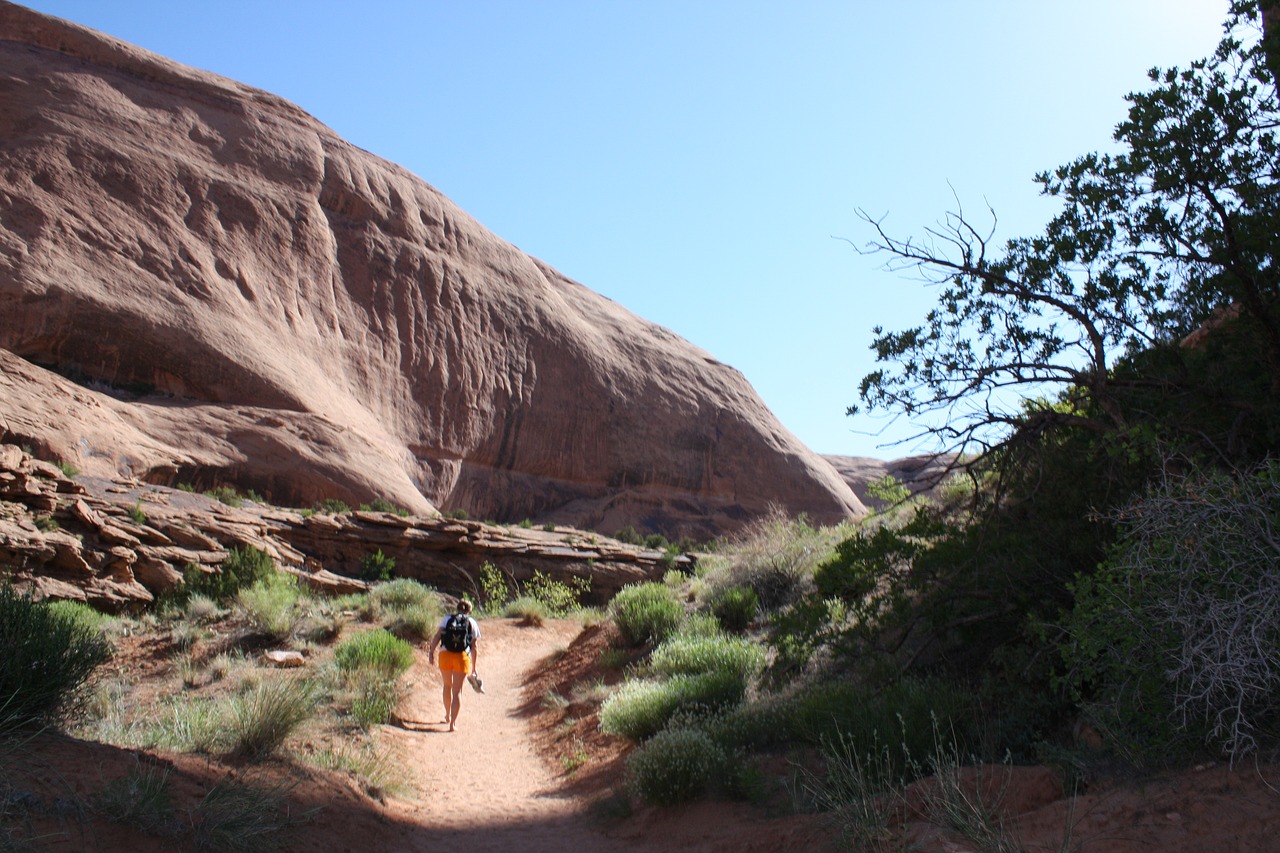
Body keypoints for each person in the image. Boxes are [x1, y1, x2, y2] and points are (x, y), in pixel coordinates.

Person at [427, 599, 481, 732]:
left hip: (445, 655)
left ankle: (447, 715)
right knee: (457, 691)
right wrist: (473, 667)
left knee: (447, 685)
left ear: (457, 608)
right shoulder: (472, 622)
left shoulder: (447, 619)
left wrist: (431, 652)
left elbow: (437, 636)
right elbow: (474, 647)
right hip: (462, 657)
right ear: (469, 610)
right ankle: (453, 724)